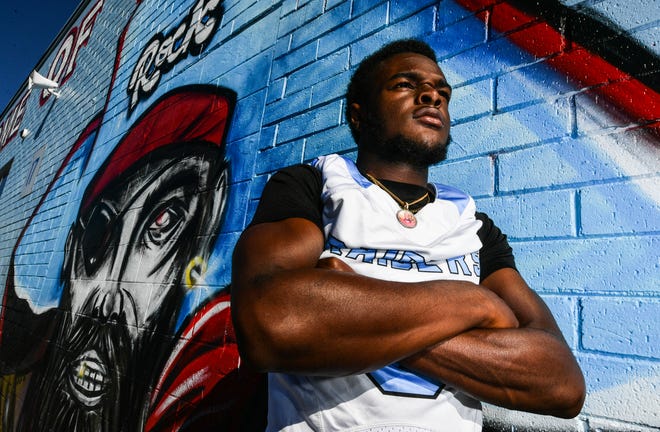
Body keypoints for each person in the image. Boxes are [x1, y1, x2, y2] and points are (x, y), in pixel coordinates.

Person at [231, 39, 585, 431]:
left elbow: (560, 383)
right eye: (405, 84)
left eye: (442, 92)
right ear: (359, 116)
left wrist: (350, 320)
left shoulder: (473, 224)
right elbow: (269, 323)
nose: (432, 95)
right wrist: (472, 303)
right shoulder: (314, 184)